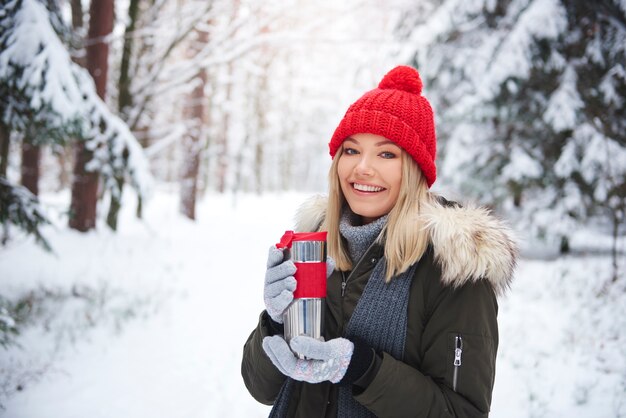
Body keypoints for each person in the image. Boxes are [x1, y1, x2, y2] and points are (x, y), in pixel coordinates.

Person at [241, 65, 518, 417]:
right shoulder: (316, 248)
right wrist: (276, 321)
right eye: (351, 151)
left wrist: (362, 369)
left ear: (415, 169)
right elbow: (260, 388)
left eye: (387, 154)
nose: (362, 168)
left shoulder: (455, 268)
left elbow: (461, 412)